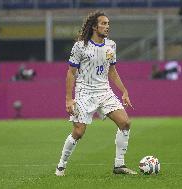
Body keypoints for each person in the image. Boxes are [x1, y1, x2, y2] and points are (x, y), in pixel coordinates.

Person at [55, 11, 137, 176]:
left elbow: (112, 71)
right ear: (94, 26)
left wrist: (124, 91)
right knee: (78, 132)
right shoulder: (80, 46)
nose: (107, 27)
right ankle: (61, 165)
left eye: (108, 24)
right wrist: (68, 99)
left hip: (104, 91)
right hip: (85, 93)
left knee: (125, 123)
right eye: (103, 23)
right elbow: (71, 73)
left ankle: (119, 165)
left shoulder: (111, 45)